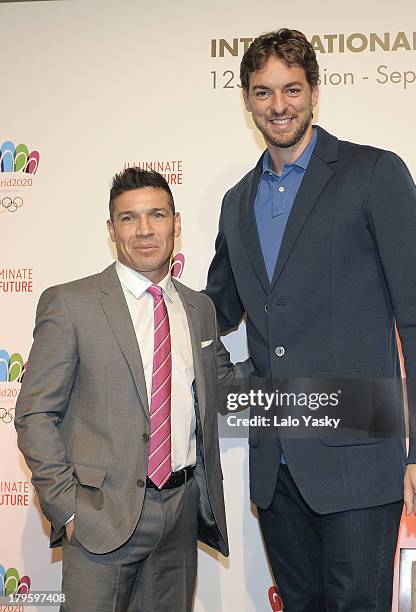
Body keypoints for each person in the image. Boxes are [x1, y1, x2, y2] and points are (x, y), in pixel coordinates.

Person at [206, 28, 416, 611]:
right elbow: (211, 310)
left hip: (359, 462)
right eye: (264, 93)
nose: (279, 105)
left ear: (314, 90)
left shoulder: (374, 174)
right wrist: (139, 293)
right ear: (246, 100)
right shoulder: (236, 202)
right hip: (275, 471)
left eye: (291, 89)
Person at [15, 167, 243, 612]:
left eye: (156, 215)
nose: (143, 230)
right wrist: (69, 508)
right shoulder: (71, 303)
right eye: (128, 218)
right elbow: (34, 414)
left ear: (175, 224)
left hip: (179, 517)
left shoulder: (198, 308)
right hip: (100, 519)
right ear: (110, 229)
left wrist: (296, 356)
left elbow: (226, 384)